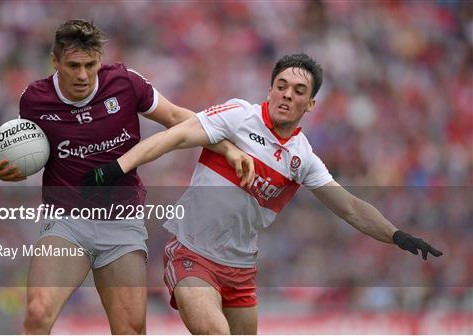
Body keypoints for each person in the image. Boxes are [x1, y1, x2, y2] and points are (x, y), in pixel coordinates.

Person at [93, 53, 444, 334]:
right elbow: (176, 136)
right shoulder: (238, 116)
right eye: (281, 85)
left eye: (298, 90)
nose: (287, 94)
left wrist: (396, 235)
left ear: (310, 104)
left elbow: (350, 207)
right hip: (192, 254)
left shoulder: (303, 157)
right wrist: (118, 167)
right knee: (215, 332)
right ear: (270, 90)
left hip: (241, 268)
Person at [0, 19, 253, 334]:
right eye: (73, 65)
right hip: (67, 221)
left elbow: (179, 119)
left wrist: (229, 150)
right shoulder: (35, 99)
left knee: (130, 328)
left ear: (100, 59)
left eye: (90, 64)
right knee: (37, 312)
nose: (83, 75)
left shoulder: (125, 83)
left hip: (121, 223)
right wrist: (0, 172)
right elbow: (27, 160)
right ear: (55, 62)